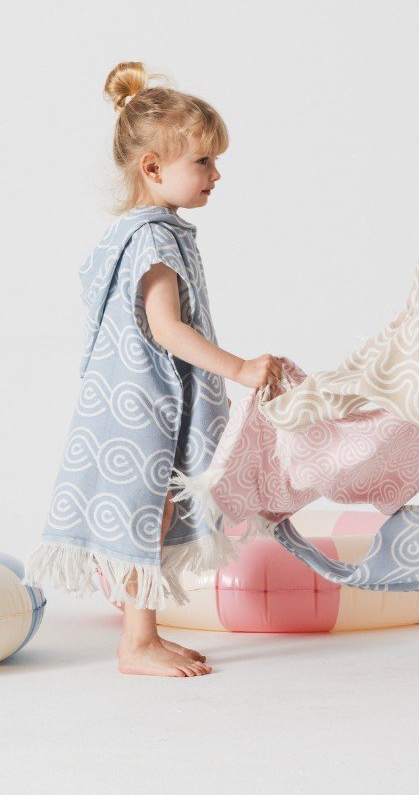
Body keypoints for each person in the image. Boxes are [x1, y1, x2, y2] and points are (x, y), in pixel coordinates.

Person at [24, 62, 282, 677]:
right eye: (203, 162)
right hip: (141, 404)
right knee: (148, 510)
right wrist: (241, 368)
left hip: (130, 399)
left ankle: (143, 637)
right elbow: (166, 329)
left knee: (154, 511)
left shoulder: (140, 232)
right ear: (153, 168)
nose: (216, 174)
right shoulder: (153, 239)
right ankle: (136, 644)